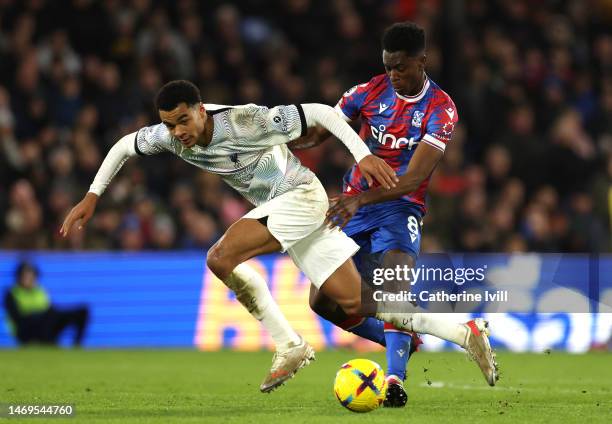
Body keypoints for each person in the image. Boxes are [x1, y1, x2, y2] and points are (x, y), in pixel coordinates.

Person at [60, 80, 497, 394]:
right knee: (359, 303)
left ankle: (290, 345)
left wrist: (362, 156)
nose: (178, 134)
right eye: (169, 126)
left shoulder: (246, 121)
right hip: (286, 208)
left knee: (219, 257)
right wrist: (92, 196)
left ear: (199, 109)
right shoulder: (171, 138)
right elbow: (122, 146)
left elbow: (323, 113)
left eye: (182, 122)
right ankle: (465, 333)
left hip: (301, 197)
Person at [289, 22, 496, 406]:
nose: (393, 75)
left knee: (393, 289)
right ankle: (404, 336)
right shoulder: (367, 92)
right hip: (354, 206)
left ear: (422, 61)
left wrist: (359, 201)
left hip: (400, 208)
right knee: (322, 301)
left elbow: (414, 176)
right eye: (388, 67)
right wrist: (278, 141)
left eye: (400, 67)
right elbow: (319, 133)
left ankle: (394, 379)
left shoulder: (441, 108)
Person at [4, 261, 89, 346]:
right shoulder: (12, 293)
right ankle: (49, 342)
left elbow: (50, 309)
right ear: (19, 277)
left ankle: (76, 345)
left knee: (82, 311)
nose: (28, 279)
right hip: (25, 330)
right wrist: (39, 315)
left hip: (45, 324)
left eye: (31, 276)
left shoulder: (40, 291)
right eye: (25, 276)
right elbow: (17, 318)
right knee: (46, 318)